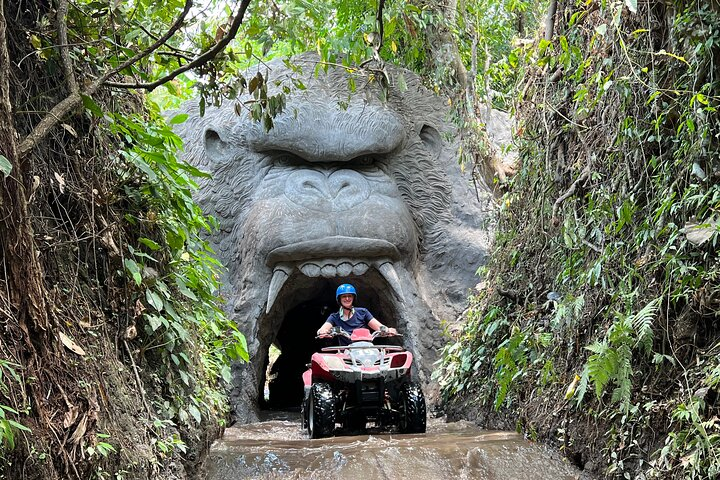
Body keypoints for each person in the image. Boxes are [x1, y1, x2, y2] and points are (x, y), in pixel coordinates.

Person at [317, 284, 396, 344]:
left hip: (366, 349)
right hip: (346, 352)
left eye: (349, 296)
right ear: (339, 299)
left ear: (353, 298)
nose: (347, 299)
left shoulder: (363, 312)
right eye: (344, 296)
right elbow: (323, 328)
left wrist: (388, 330)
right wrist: (323, 331)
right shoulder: (334, 317)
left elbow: (378, 327)